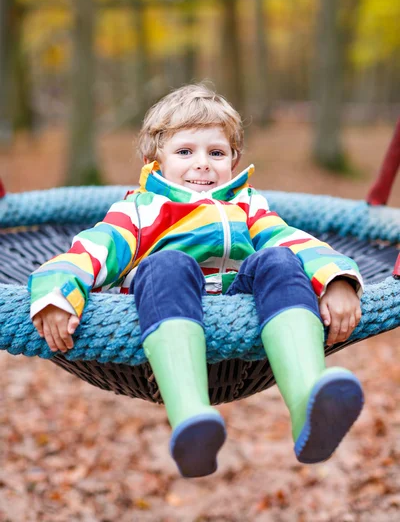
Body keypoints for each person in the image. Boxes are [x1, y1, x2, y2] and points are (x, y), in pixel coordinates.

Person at [29, 84, 364, 478]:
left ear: (234, 160)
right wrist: (57, 294)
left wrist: (337, 278)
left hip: (238, 301)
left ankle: (308, 402)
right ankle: (191, 418)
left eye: (216, 153)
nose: (202, 164)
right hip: (169, 304)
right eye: (185, 151)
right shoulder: (140, 210)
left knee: (279, 258)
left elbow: (291, 239)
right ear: (155, 159)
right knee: (168, 263)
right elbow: (90, 251)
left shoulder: (247, 206)